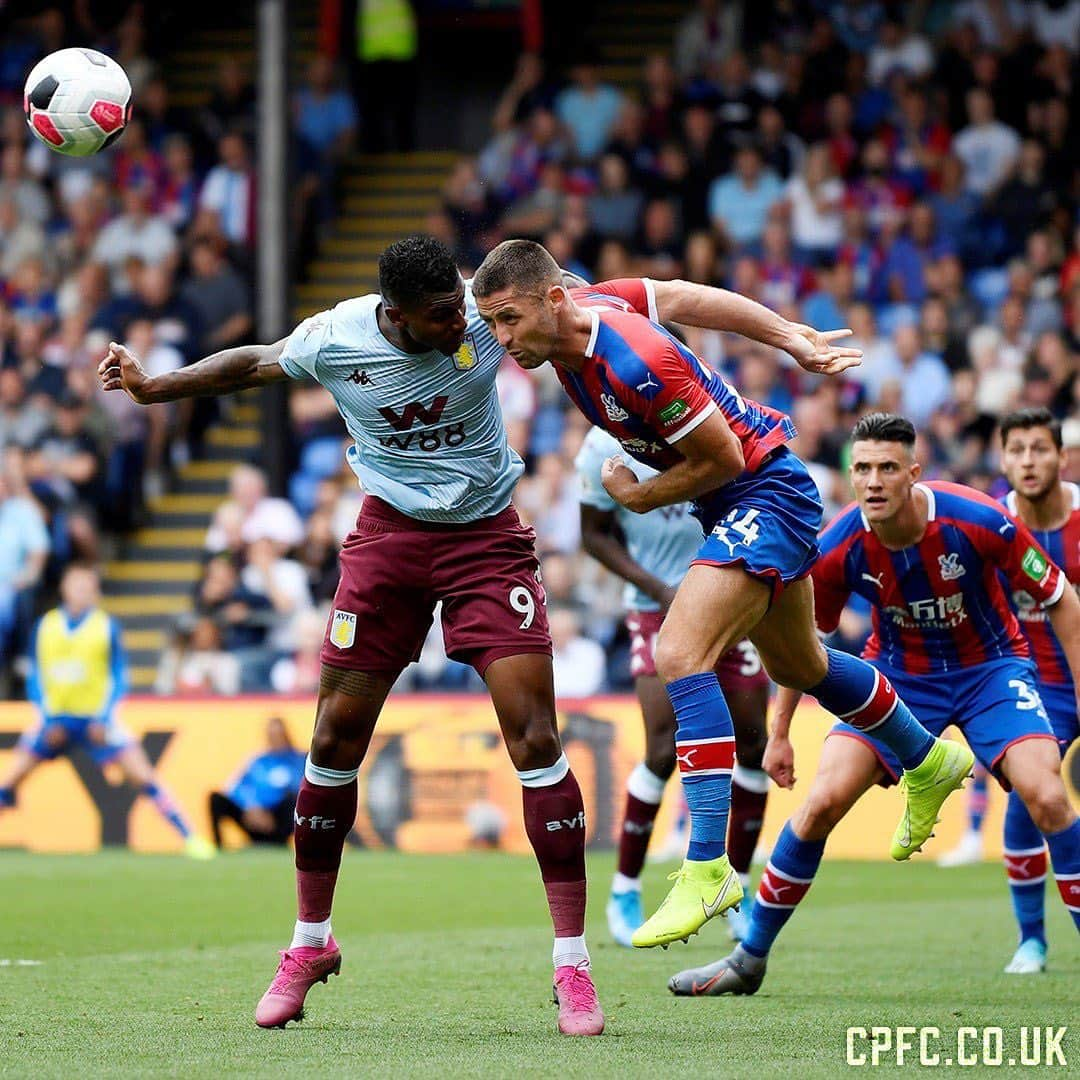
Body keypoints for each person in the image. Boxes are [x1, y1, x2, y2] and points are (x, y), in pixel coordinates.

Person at [98, 234, 604, 1036]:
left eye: (460, 309)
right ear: (395, 315)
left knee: (535, 737)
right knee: (333, 738)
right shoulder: (337, 339)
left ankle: (572, 965)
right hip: (388, 538)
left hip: (486, 538)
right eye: (439, 317)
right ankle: (309, 944)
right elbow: (253, 363)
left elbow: (597, 299)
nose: (461, 327)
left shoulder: (479, 311)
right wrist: (157, 388)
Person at [472, 240, 973, 951]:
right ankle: (927, 758)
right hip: (745, 499)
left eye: (509, 321)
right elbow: (684, 293)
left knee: (681, 653)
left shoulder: (635, 359)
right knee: (801, 667)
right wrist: (788, 334)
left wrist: (640, 497)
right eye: (492, 322)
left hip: (761, 492)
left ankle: (708, 867)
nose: (501, 339)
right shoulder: (583, 306)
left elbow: (724, 458)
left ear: (553, 301)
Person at [669, 413, 1080, 997]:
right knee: (820, 804)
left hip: (991, 671)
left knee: (1046, 795)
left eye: (888, 468)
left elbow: (1062, 600)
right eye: (862, 468)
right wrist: (780, 730)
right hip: (898, 678)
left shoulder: (978, 518)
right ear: (851, 475)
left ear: (914, 473)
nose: (874, 481)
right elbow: (803, 645)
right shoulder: (836, 544)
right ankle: (747, 959)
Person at [577, 423, 770, 946]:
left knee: (753, 745)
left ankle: (737, 887)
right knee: (662, 749)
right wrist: (655, 586)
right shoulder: (600, 448)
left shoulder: (712, 427)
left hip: (729, 596)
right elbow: (592, 533)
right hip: (654, 608)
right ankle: (624, 888)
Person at [0, 565, 213, 859]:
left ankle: (190, 838)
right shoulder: (46, 625)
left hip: (96, 720)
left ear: (95, 592)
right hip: (55, 719)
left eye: (88, 586)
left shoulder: (104, 626)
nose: (82, 591)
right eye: (77, 584)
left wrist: (103, 718)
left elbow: (118, 676)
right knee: (11, 777)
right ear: (64, 588)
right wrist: (48, 720)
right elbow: (36, 676)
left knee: (143, 775)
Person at [994, 407, 1080, 973]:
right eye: (1017, 450)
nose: (1029, 461)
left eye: (1039, 449)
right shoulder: (990, 521)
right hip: (1036, 686)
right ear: (1003, 460)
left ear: (1061, 456)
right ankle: (1032, 941)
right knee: (1032, 798)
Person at [209, 717, 306, 848]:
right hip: (252, 816)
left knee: (294, 799)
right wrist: (251, 806)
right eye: (271, 736)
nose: (275, 740)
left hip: (278, 819)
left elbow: (299, 787)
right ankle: (218, 847)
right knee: (216, 798)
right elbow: (235, 787)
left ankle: (289, 843)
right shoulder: (257, 761)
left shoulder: (299, 760)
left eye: (278, 735)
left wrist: (267, 809)